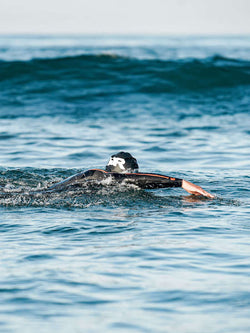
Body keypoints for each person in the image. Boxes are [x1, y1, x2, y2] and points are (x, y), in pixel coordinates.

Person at [47, 151, 214, 198]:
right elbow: (128, 180)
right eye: (134, 173)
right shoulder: (97, 175)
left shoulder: (91, 180)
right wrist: (180, 182)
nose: (136, 177)